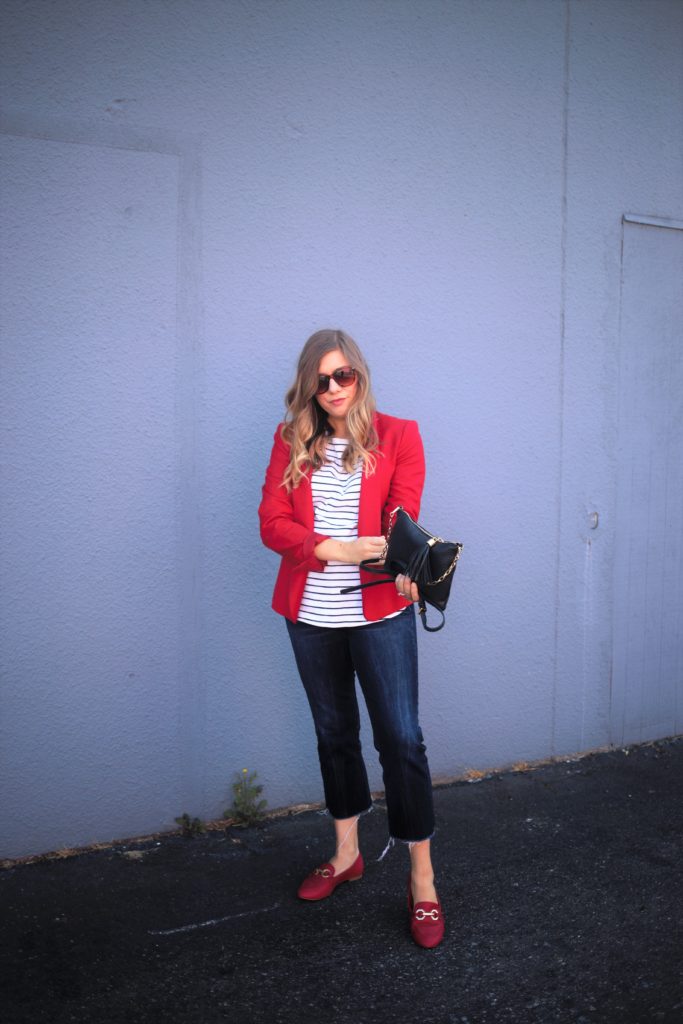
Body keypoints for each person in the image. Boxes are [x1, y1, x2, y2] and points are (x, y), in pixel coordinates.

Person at [258, 328, 444, 949]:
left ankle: (422, 880)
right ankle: (346, 855)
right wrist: (331, 547)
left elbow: (401, 512)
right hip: (309, 615)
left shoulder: (398, 436)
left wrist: (406, 559)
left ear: (360, 376)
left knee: (401, 739)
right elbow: (272, 523)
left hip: (380, 613)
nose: (334, 388)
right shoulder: (292, 442)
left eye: (344, 376)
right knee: (335, 734)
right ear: (308, 384)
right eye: (322, 378)